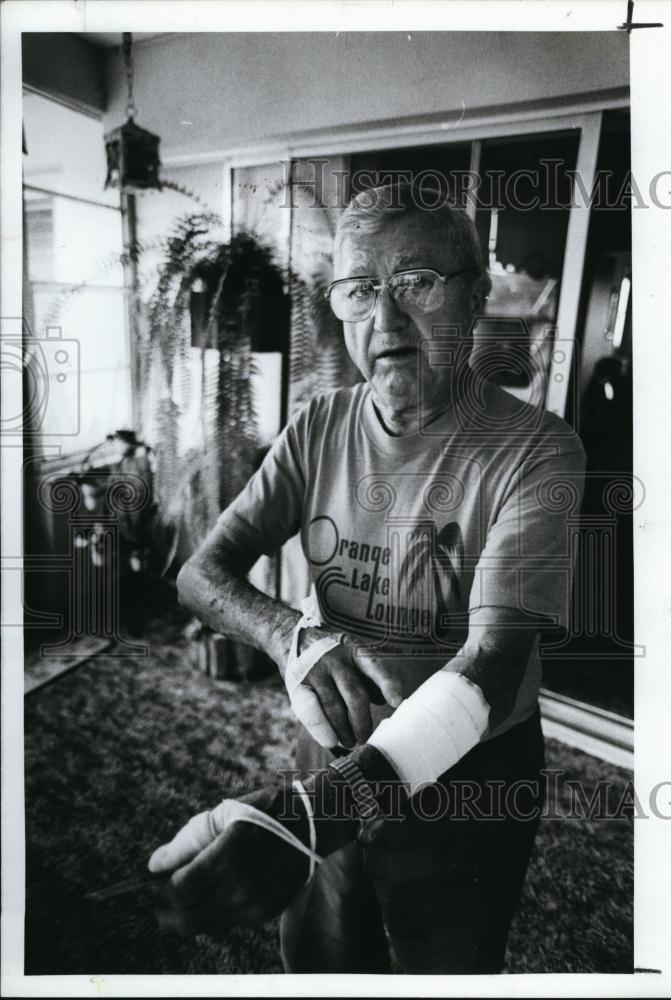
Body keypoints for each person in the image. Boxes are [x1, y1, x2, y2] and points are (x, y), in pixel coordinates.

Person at [149, 182, 586, 974]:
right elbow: (200, 574)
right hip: (337, 756)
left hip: (467, 775)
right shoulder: (319, 424)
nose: (385, 321)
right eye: (359, 290)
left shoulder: (538, 450)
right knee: (324, 958)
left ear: (478, 293)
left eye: (416, 283)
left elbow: (493, 664)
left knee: (446, 967)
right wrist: (291, 637)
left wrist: (309, 821)